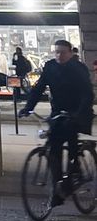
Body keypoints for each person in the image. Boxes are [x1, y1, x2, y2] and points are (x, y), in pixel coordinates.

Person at [19, 39, 94, 202]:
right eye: (56, 52)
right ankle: (58, 187)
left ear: (70, 53)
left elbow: (87, 93)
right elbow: (38, 88)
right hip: (58, 111)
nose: (59, 55)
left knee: (70, 133)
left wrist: (78, 112)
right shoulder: (50, 67)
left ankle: (75, 171)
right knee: (54, 148)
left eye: (62, 52)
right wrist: (28, 107)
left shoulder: (78, 68)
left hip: (77, 111)